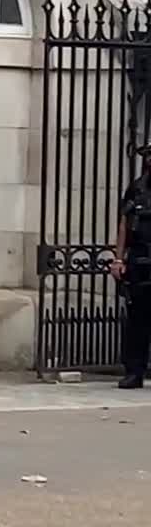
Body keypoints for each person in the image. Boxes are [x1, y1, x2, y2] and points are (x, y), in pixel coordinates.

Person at [110, 143, 151, 389]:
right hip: (140, 261)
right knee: (137, 320)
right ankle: (134, 371)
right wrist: (118, 258)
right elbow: (124, 224)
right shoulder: (136, 189)